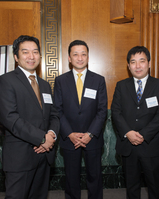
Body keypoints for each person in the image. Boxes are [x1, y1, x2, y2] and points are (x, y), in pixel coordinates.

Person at [0, 35, 60, 199]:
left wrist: (51, 135)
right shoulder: (5, 81)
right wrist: (41, 138)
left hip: (44, 156)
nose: (31, 56)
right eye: (25, 52)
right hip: (20, 158)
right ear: (16, 57)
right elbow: (10, 118)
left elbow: (54, 115)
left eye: (35, 52)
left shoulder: (44, 85)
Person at [111, 46, 159, 199]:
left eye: (141, 61)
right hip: (128, 145)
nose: (137, 66)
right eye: (133, 62)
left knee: (155, 186)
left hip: (151, 145)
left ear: (149, 63)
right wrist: (128, 133)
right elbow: (116, 112)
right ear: (128, 66)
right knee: (131, 186)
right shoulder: (121, 86)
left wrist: (143, 134)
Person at [53, 40, 107, 199]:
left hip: (93, 138)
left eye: (83, 54)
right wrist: (69, 133)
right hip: (70, 138)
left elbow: (102, 110)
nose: (80, 58)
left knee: (94, 177)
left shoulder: (98, 80)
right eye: (75, 54)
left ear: (88, 57)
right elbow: (57, 109)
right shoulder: (60, 81)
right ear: (69, 58)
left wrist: (90, 134)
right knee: (71, 178)